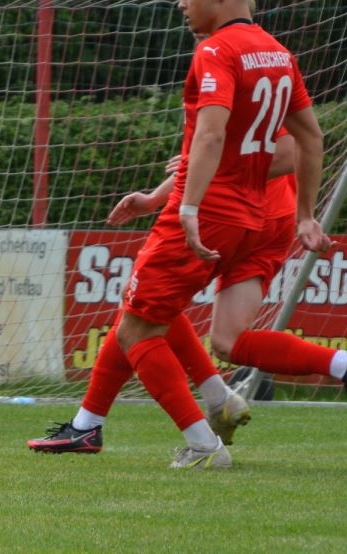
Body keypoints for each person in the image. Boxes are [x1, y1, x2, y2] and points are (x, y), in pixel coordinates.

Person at [104, 0, 347, 469]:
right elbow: (311, 137)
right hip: (254, 218)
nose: (181, 4)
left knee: (137, 328)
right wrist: (305, 216)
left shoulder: (216, 50)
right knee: (223, 339)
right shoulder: (278, 53)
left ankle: (203, 446)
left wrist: (184, 208)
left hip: (209, 213)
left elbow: (211, 136)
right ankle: (338, 367)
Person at [29, 137, 294, 454]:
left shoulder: (222, 102)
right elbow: (303, 142)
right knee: (141, 307)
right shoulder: (270, 107)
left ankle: (203, 443)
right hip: (241, 215)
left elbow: (218, 143)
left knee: (140, 322)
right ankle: (213, 398)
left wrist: (197, 179)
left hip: (204, 213)